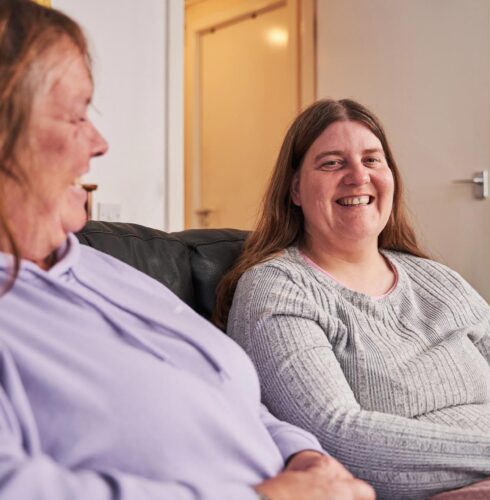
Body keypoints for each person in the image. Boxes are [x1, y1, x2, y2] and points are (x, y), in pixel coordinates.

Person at [0, 2, 376, 499]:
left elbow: (241, 403)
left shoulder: (104, 269)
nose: (99, 142)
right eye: (74, 116)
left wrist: (304, 457)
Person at [216, 98, 490, 499]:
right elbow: (334, 434)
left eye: (371, 160)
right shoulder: (276, 288)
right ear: (295, 188)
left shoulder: (438, 279)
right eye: (332, 163)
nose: (357, 177)